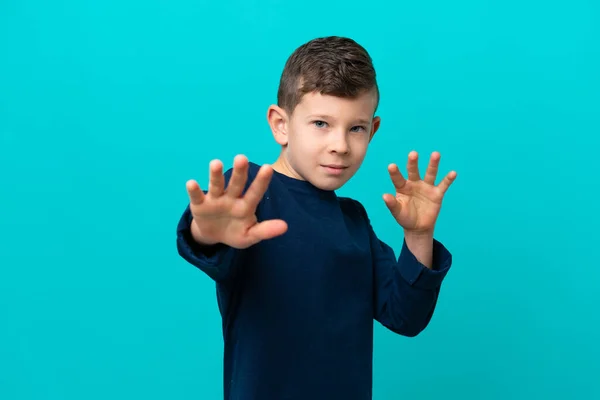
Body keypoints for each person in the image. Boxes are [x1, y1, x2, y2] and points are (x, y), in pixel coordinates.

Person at [176, 36, 457, 400]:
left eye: (355, 128)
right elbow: (209, 239)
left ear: (372, 131)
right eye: (321, 123)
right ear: (280, 124)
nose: (340, 144)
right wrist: (206, 232)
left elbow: (406, 316)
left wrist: (419, 235)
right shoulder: (249, 193)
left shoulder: (354, 221)